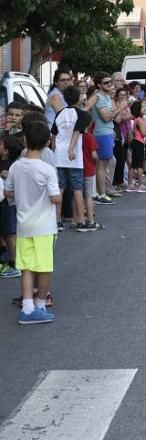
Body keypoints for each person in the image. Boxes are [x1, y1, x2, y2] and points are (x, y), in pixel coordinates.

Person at [4, 121, 61, 324]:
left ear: (25, 140)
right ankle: (39, 304)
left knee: (26, 266)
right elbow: (55, 198)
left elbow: (8, 192)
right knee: (44, 266)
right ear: (47, 142)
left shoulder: (16, 166)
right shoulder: (47, 170)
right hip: (44, 225)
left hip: (23, 224)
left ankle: (27, 306)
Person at [51, 86, 90, 231]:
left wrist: (55, 152)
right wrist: (71, 149)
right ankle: (80, 219)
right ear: (79, 98)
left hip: (59, 156)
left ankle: (57, 220)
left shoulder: (59, 114)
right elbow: (77, 131)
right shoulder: (82, 115)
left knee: (60, 188)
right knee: (77, 188)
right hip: (74, 158)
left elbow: (54, 136)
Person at [91, 72, 127, 205]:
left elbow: (112, 117)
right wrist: (120, 108)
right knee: (101, 166)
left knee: (104, 165)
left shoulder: (106, 97)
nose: (110, 85)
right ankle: (101, 194)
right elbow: (106, 117)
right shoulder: (99, 97)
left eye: (110, 82)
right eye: (106, 83)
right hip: (101, 133)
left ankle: (101, 193)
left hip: (107, 132)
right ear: (99, 85)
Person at [0, 135, 23, 278]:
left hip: (7, 204)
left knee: (9, 234)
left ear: (6, 151)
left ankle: (15, 264)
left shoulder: (11, 166)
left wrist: (7, 175)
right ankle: (4, 258)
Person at [126, 101, 146, 193]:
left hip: (135, 141)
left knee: (133, 165)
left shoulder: (136, 119)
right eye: (143, 108)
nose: (145, 109)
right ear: (138, 110)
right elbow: (144, 133)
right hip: (139, 143)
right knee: (139, 165)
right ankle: (140, 185)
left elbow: (142, 130)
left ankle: (130, 185)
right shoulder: (140, 120)